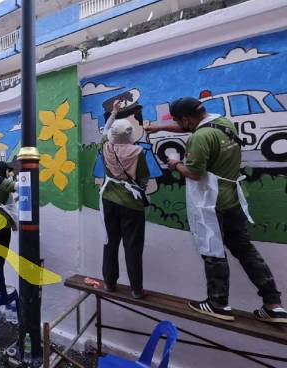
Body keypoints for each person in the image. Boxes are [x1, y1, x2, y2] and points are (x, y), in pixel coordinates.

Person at [147, 97, 286, 323]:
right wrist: (159, 127)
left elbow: (194, 173)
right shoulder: (223, 123)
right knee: (245, 249)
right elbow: (193, 127)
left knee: (212, 250)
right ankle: (273, 304)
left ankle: (218, 303)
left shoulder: (199, 138)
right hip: (231, 199)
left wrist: (174, 163)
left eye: (178, 121)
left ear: (186, 118)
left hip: (210, 203)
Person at [89, 100, 150, 299]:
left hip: (108, 200)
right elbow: (143, 177)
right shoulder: (137, 152)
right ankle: (136, 289)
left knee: (110, 242)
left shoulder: (106, 146)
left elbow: (106, 130)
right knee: (132, 246)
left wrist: (114, 112)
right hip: (131, 204)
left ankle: (109, 283)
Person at [0, 161, 18, 276]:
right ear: (3, 170)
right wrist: (19, 177)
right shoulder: (0, 181)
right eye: (8, 170)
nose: (9, 173)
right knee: (1, 256)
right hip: (1, 222)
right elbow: (18, 186)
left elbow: (5, 202)